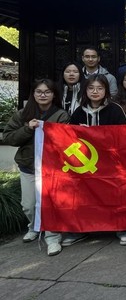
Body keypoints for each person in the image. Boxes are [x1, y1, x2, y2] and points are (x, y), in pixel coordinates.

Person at [3, 79, 70, 256]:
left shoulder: (61, 115)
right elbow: (8, 137)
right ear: (33, 94)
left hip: (52, 170)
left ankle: (53, 238)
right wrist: (28, 128)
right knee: (29, 205)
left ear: (54, 95)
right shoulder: (22, 114)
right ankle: (33, 227)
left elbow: (66, 140)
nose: (43, 95)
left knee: (50, 205)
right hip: (28, 167)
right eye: (39, 92)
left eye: (47, 92)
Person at [62, 74, 126, 247]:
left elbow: (124, 136)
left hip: (111, 163)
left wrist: (97, 134)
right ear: (85, 90)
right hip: (86, 163)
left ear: (106, 90)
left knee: (114, 195)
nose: (95, 92)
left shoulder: (115, 110)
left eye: (100, 88)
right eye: (91, 88)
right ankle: (81, 230)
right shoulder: (79, 112)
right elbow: (69, 138)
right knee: (84, 196)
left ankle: (121, 228)